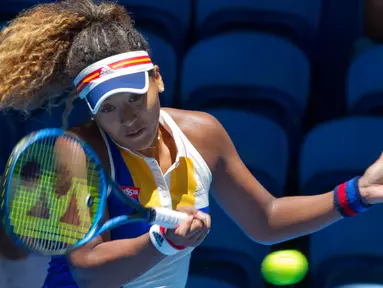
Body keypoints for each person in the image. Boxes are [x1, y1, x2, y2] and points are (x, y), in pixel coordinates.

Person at [1, 0, 383, 287]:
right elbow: (88, 270)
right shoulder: (77, 151)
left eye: (135, 97)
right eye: (109, 108)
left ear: (158, 79)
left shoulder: (203, 134)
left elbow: (265, 219)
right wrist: (163, 244)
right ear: (93, 111)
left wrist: (357, 194)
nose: (128, 118)